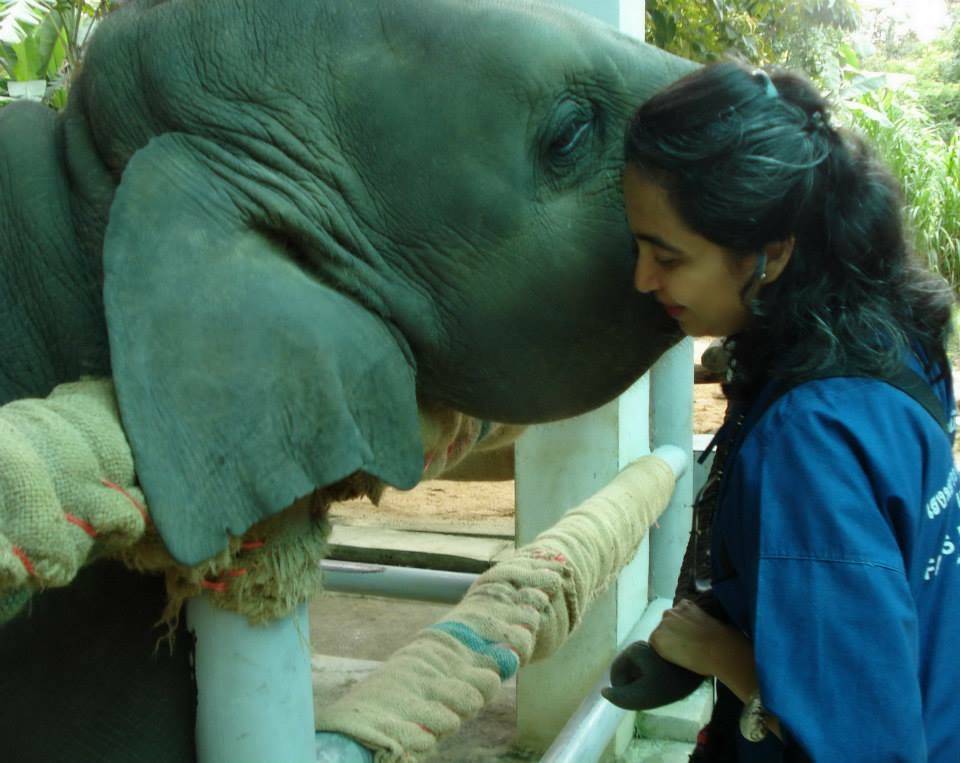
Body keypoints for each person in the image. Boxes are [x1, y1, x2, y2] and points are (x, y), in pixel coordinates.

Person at [606, 60, 959, 762]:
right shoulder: (896, 339)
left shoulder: (812, 442)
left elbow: (867, 746)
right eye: (638, 247)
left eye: (668, 256)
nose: (644, 278)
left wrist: (728, 656)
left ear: (770, 252)